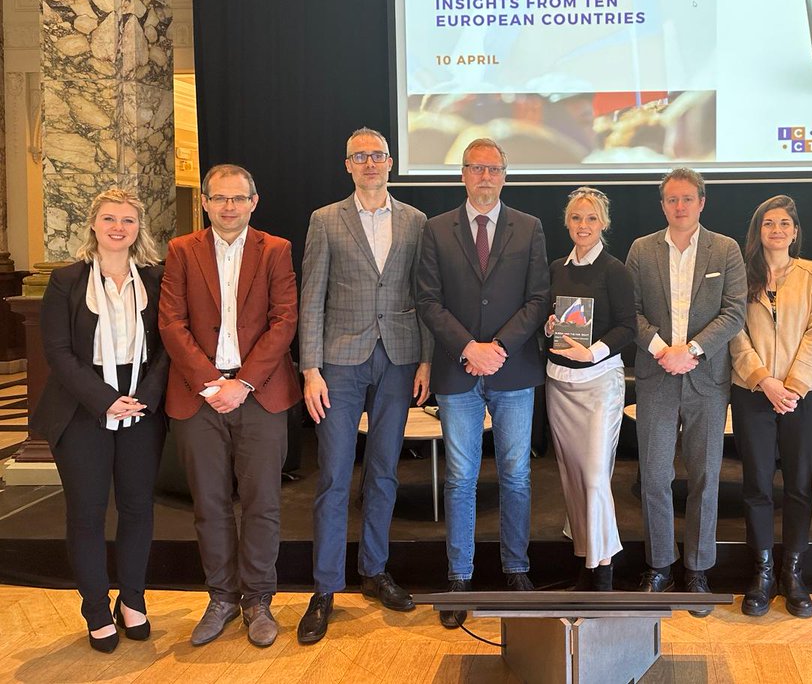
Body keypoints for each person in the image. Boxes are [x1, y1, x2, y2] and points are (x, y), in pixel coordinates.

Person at [297, 127, 432, 644]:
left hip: (398, 359)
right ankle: (326, 587)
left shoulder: (416, 222)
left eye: (377, 156)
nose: (370, 164)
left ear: (391, 162)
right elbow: (311, 297)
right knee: (332, 476)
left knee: (384, 472)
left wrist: (424, 359)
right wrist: (310, 367)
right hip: (339, 364)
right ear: (347, 165)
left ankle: (374, 571)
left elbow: (423, 296)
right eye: (360, 157)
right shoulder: (326, 220)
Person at [159, 164, 300, 648]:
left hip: (260, 395)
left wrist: (242, 383)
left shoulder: (276, 250)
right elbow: (171, 324)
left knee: (262, 503)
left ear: (254, 202)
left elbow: (284, 322)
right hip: (197, 398)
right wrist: (209, 384)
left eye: (238, 198)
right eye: (219, 198)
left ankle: (258, 600)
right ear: (204, 202)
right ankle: (221, 597)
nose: (228, 206)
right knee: (210, 505)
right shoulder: (181, 250)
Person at [416, 138, 550, 626]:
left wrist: (498, 348)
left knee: (516, 474)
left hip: (512, 370)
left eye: (494, 169)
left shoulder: (530, 228)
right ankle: (460, 576)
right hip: (458, 369)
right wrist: (468, 348)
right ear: (463, 175)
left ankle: (515, 568)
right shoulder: (435, 230)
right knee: (461, 477)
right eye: (476, 168)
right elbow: (427, 300)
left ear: (505, 175)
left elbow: (538, 299)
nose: (485, 176)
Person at [33, 187, 169, 652]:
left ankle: (132, 599)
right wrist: (104, 400)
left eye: (128, 220)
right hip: (81, 408)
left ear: (138, 229)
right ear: (93, 224)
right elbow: (57, 352)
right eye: (109, 218)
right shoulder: (66, 280)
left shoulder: (156, 277)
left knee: (137, 509)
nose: (118, 227)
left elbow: (167, 348)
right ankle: (96, 608)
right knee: (88, 514)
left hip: (141, 407)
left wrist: (143, 399)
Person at [625, 168, 746, 614]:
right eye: (672, 199)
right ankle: (659, 566)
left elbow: (734, 312)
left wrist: (691, 351)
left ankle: (697, 570)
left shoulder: (726, 249)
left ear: (702, 202)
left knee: (704, 477)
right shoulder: (641, 249)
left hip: (706, 379)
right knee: (654, 477)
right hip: (656, 375)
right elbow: (631, 310)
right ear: (663, 205)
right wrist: (662, 350)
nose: (680, 206)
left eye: (687, 199)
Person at [730, 195, 812, 618]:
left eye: (784, 222)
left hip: (804, 394)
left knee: (799, 486)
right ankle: (763, 571)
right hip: (753, 391)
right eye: (769, 222)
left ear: (795, 230)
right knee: (756, 484)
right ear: (759, 230)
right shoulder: (740, 273)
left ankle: (793, 572)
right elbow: (734, 332)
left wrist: (793, 385)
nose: (777, 229)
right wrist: (764, 381)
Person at [544, 187, 636, 591]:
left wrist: (594, 352)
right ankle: (584, 559)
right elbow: (550, 316)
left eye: (591, 219)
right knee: (573, 476)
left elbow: (628, 327)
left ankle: (605, 566)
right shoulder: (555, 268)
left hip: (599, 384)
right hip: (558, 383)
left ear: (604, 224)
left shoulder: (615, 269)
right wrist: (550, 326)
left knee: (596, 476)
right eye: (577, 218)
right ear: (567, 222)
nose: (584, 226)